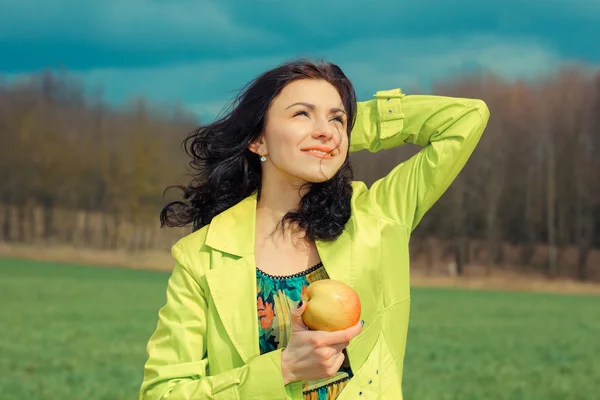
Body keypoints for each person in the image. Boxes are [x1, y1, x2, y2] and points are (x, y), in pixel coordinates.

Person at [139, 59, 490, 400]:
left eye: (337, 117)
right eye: (301, 113)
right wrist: (284, 369)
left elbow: (466, 119)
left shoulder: (378, 215)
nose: (325, 129)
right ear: (257, 139)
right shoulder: (201, 257)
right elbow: (163, 392)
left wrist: (346, 130)